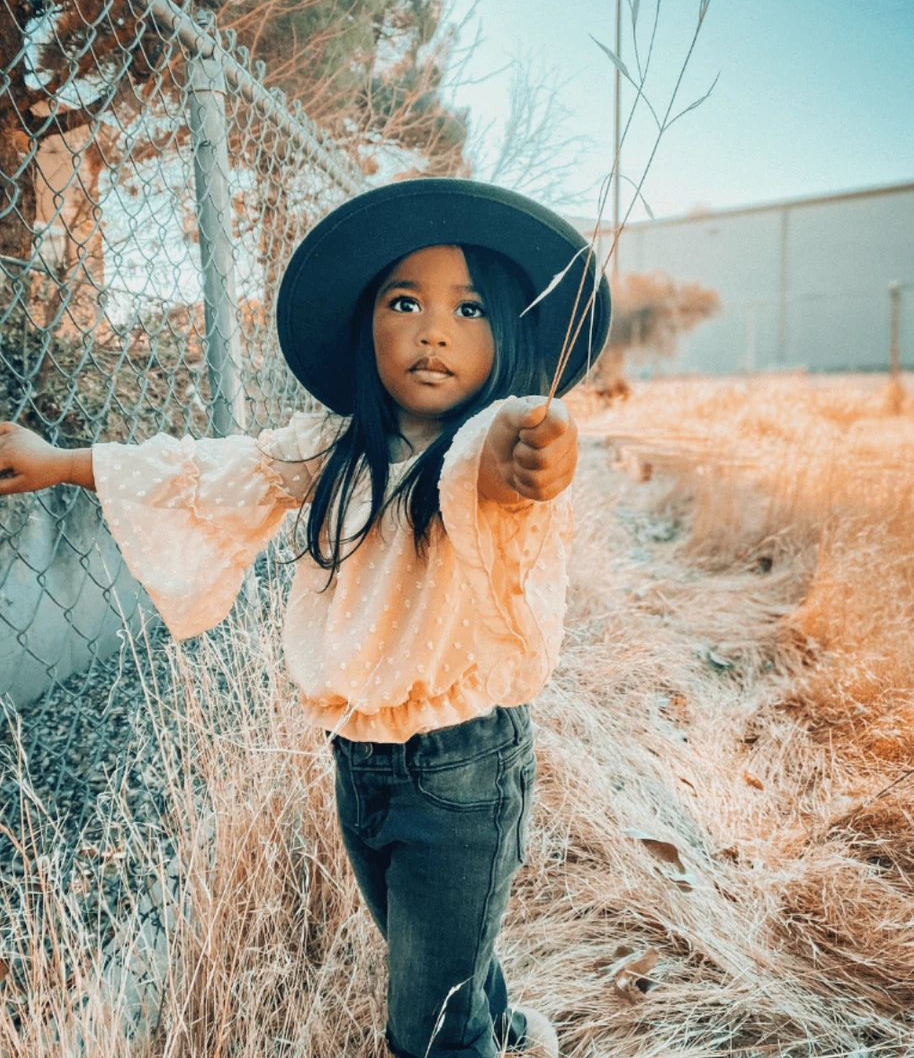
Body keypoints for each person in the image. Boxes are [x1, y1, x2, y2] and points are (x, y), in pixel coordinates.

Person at [0, 179, 611, 1058]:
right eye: (406, 301)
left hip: (461, 773)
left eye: (469, 309)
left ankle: (479, 1037)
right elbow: (210, 471)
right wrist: (62, 462)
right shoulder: (333, 449)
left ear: (509, 334)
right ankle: (507, 1026)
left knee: (426, 1029)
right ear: (368, 324)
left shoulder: (484, 453)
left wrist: (541, 451)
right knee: (426, 952)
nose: (433, 329)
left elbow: (514, 462)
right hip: (360, 766)